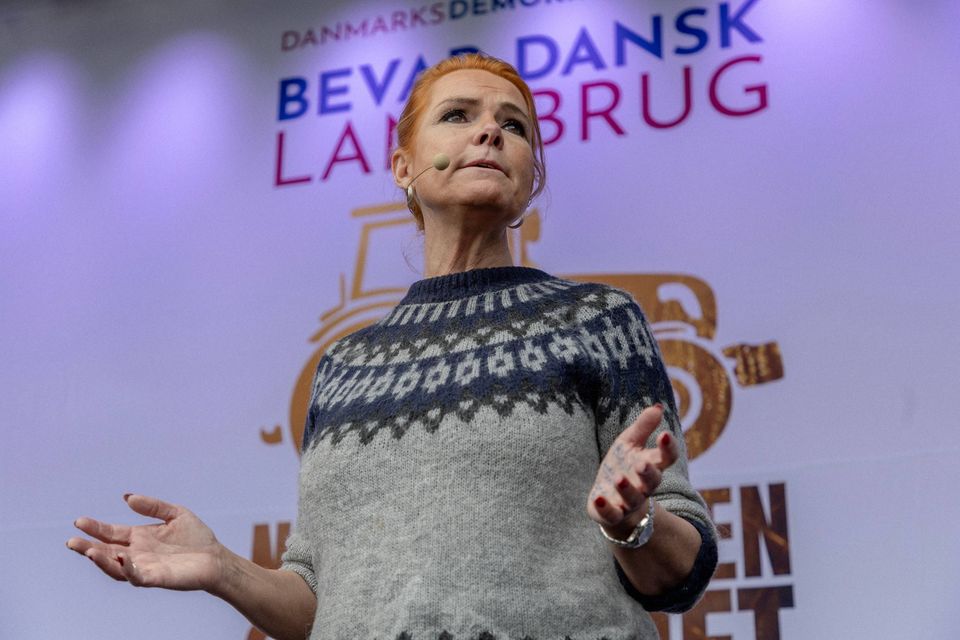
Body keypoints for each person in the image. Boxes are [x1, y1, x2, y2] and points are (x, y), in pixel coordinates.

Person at [67, 53, 717, 639]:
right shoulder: (344, 366)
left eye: (514, 126)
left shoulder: (597, 321)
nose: (490, 132)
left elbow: (682, 572)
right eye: (458, 116)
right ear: (403, 166)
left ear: (530, 181)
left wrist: (632, 523)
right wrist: (223, 569)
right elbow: (321, 603)